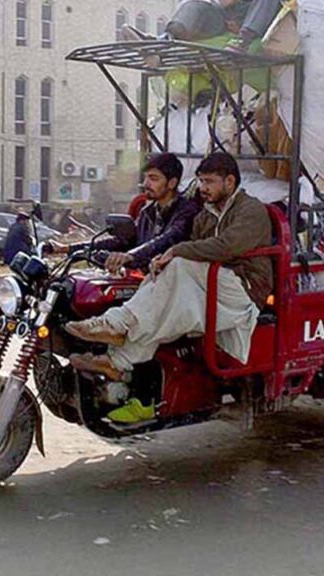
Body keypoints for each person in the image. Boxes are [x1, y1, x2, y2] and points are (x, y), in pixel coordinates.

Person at [66, 152, 274, 424]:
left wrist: (174, 252)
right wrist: (161, 263)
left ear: (230, 181)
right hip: (212, 287)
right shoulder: (205, 215)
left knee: (177, 265)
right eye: (200, 181)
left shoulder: (251, 210)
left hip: (243, 290)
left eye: (209, 182)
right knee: (163, 304)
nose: (203, 188)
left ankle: (118, 324)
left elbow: (225, 247)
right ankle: (117, 361)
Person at [53, 153, 200, 273]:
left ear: (172, 183)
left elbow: (165, 240)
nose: (146, 184)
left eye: (154, 179)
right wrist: (67, 248)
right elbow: (124, 240)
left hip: (172, 285)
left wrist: (129, 256)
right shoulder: (147, 212)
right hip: (147, 281)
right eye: (146, 178)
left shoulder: (187, 211)